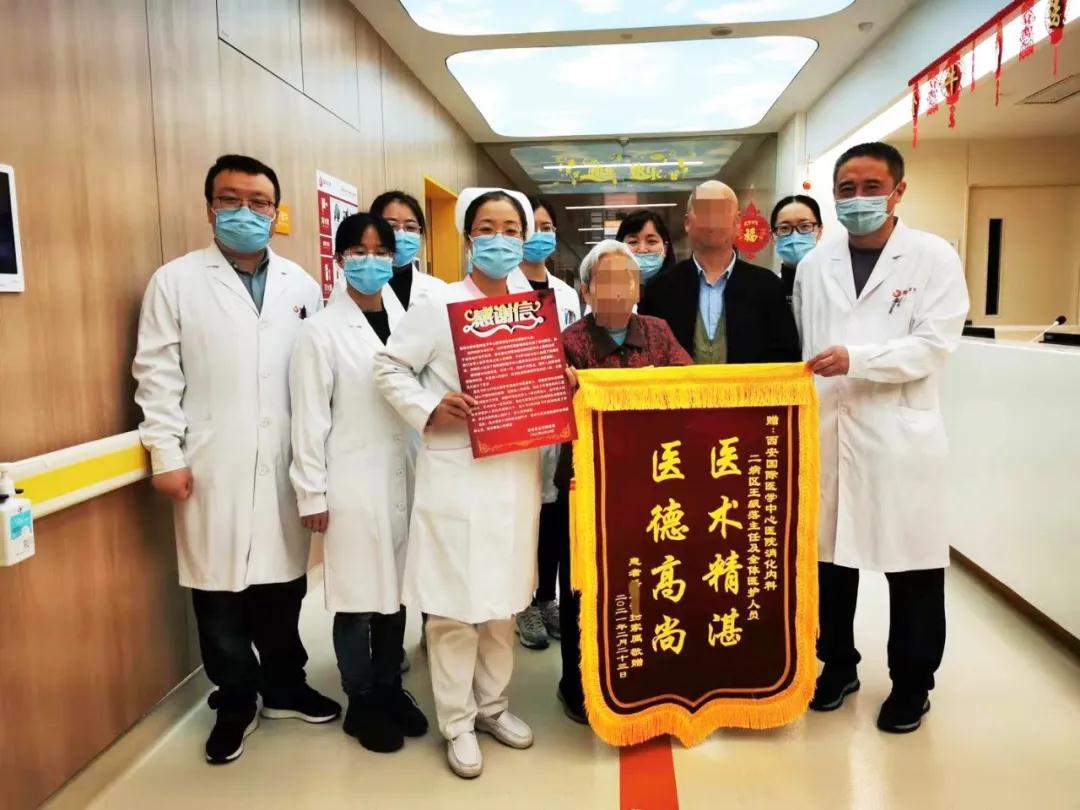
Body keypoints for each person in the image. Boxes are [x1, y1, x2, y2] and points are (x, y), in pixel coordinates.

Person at [132, 154, 340, 765]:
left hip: (283, 459)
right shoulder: (174, 281)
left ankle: (285, 686)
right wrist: (165, 452)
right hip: (210, 461)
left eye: (259, 202)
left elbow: (318, 378)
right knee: (218, 592)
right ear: (209, 208)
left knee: (284, 585)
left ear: (276, 213)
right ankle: (235, 700)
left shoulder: (302, 286)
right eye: (231, 200)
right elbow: (156, 373)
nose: (245, 212)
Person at [792, 141, 969, 734]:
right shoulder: (815, 265)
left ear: (898, 191)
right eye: (846, 189)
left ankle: (912, 684)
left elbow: (933, 346)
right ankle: (837, 665)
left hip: (900, 436)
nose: (859, 199)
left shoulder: (933, 258)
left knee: (911, 566)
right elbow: (805, 345)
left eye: (872, 187)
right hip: (828, 430)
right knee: (828, 565)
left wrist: (858, 359)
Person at [374, 188, 541, 780]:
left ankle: (492, 707)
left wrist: (561, 383)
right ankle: (458, 722)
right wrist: (429, 408)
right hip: (456, 472)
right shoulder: (439, 304)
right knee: (452, 609)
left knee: (501, 603)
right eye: (487, 228)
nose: (500, 240)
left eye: (511, 230)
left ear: (524, 239)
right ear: (470, 239)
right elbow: (388, 366)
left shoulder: (532, 309)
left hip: (514, 474)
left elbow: (539, 382)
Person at [288, 212, 429, 754]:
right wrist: (312, 494)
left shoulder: (409, 320)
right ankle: (361, 699)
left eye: (381, 251)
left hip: (405, 475)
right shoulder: (320, 332)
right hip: (349, 481)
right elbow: (309, 420)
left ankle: (390, 686)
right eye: (359, 251)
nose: (371, 261)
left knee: (396, 593)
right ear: (340, 258)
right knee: (356, 599)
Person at [555, 240, 693, 723]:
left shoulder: (658, 331)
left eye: (627, 281)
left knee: (646, 581)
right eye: (606, 282)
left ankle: (643, 676)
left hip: (650, 482)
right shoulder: (569, 342)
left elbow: (687, 387)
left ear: (638, 289)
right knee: (583, 588)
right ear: (586, 291)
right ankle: (577, 686)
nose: (617, 291)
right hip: (586, 485)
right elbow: (553, 410)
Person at [511, 196, 581, 651]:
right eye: (531, 227)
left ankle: (546, 598)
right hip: (520, 419)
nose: (541, 234)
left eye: (547, 226)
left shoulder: (567, 294)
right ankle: (523, 603)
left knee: (556, 516)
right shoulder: (503, 292)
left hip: (561, 416)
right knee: (527, 515)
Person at [640, 179, 800, 364]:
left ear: (737, 221)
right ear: (687, 222)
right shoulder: (659, 289)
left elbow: (786, 358)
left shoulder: (768, 286)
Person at [329, 190, 446, 310]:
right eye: (391, 226)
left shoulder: (439, 290)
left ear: (420, 233)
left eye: (410, 227)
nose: (401, 235)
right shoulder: (345, 288)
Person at [770, 194, 823, 301]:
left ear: (819, 231)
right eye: (784, 228)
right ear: (773, 236)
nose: (795, 235)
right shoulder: (765, 290)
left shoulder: (836, 285)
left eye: (805, 226)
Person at [615, 209, 678, 285]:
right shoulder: (606, 289)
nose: (642, 250)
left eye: (651, 241)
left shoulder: (682, 288)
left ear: (665, 249)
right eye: (633, 242)